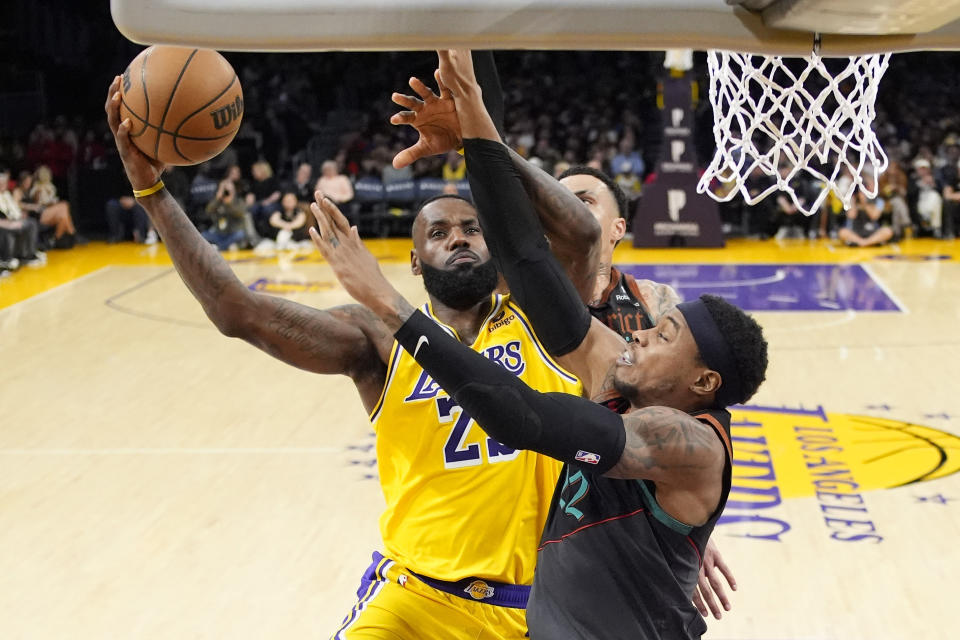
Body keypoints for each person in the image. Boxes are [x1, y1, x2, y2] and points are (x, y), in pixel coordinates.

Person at [105, 73, 600, 640]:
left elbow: (583, 237)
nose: (459, 238)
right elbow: (235, 310)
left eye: (471, 229)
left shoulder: (545, 325)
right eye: (438, 233)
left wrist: (476, 139)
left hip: (534, 606)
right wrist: (152, 193)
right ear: (415, 262)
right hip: (411, 600)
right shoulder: (379, 340)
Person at [316, 49, 768, 639]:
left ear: (703, 382)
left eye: (662, 334)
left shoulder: (683, 441)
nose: (637, 336)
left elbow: (522, 415)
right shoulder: (620, 369)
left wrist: (393, 309)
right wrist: (476, 126)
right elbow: (527, 258)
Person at [19, 165, 78, 248]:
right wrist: (49, 202)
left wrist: (52, 201)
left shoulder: (50, 187)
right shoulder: (36, 189)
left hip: (48, 212)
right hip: (40, 214)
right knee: (64, 205)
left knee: (63, 216)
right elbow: (38, 204)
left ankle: (54, 239)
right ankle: (71, 232)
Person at [202, 179, 249, 251]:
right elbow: (208, 211)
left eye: (229, 189)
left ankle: (220, 247)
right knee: (204, 235)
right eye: (224, 189)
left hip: (233, 233)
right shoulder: (218, 202)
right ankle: (227, 245)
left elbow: (240, 213)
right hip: (219, 234)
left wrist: (229, 203)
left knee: (240, 235)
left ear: (234, 190)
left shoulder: (239, 201)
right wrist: (217, 198)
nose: (226, 191)